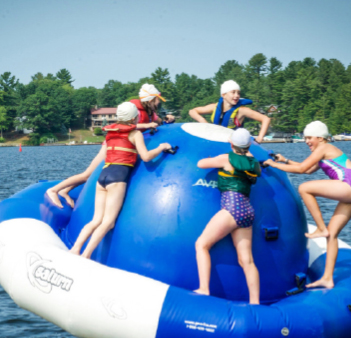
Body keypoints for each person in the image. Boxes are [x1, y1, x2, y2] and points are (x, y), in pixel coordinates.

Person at [70, 102, 171, 259]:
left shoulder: (110, 133)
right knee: (108, 222)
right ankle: (86, 255)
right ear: (133, 118)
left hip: (102, 176)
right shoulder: (134, 134)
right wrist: (161, 147)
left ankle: (75, 249)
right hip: (117, 178)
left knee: (96, 219)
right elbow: (145, 157)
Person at [263, 121, 351, 289]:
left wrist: (273, 164)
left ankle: (319, 227)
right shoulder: (324, 151)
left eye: (309, 138)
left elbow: (303, 169)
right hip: (348, 189)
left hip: (348, 185)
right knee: (331, 234)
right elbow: (309, 169)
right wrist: (285, 160)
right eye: (305, 138)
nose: (306, 141)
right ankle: (327, 277)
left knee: (304, 187)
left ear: (320, 137)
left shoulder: (324, 148)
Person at [194, 128, 261, 304]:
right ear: (248, 145)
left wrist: (213, 158)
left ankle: (204, 288)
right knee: (247, 260)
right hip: (247, 211)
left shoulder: (226, 158)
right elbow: (248, 156)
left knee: (201, 245)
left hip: (232, 208)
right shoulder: (254, 162)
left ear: (231, 143)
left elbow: (201, 164)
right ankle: (255, 302)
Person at [189, 80, 270, 143]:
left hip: (233, 145)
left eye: (238, 93)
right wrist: (202, 121)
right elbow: (192, 111)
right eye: (233, 92)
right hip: (217, 141)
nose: (237, 95)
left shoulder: (241, 110)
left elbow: (265, 119)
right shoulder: (215, 107)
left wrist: (259, 138)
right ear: (223, 95)